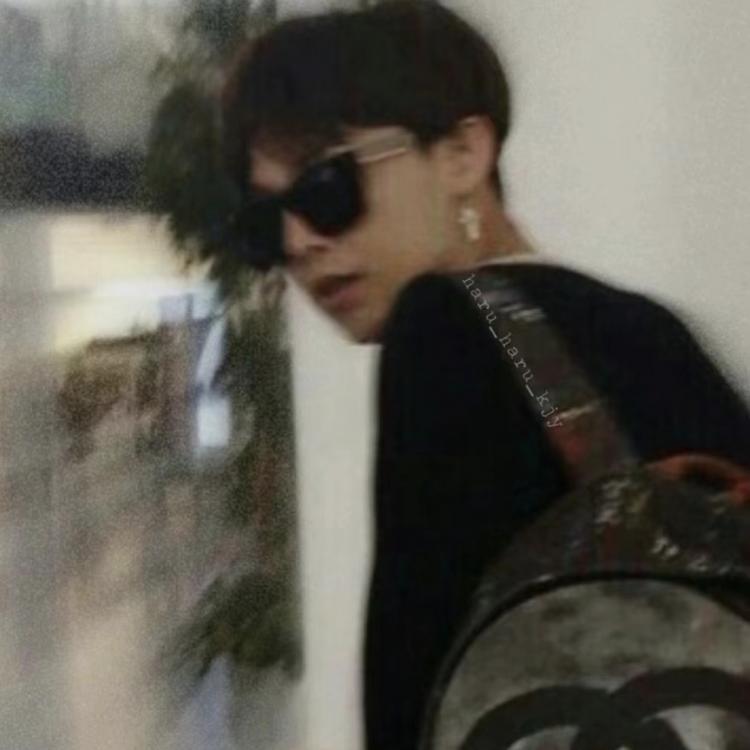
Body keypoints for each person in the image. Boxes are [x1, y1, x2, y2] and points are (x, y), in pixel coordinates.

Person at [220, 1, 750, 748]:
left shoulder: (440, 328)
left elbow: (410, 706)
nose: (300, 241)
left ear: (463, 154)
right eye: (265, 223)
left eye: (325, 188)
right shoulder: (650, 328)